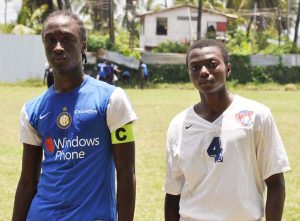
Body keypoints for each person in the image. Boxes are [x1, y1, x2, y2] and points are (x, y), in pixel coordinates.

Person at [12, 10, 137, 221]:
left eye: (67, 39)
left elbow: (126, 173)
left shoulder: (111, 99)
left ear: (83, 45)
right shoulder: (32, 110)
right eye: (50, 40)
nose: (58, 47)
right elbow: (27, 181)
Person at [164, 39, 291, 221]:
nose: (204, 72)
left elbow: (276, 184)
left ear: (228, 69)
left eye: (212, 64)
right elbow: (172, 194)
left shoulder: (256, 115)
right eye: (195, 67)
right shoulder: (178, 125)